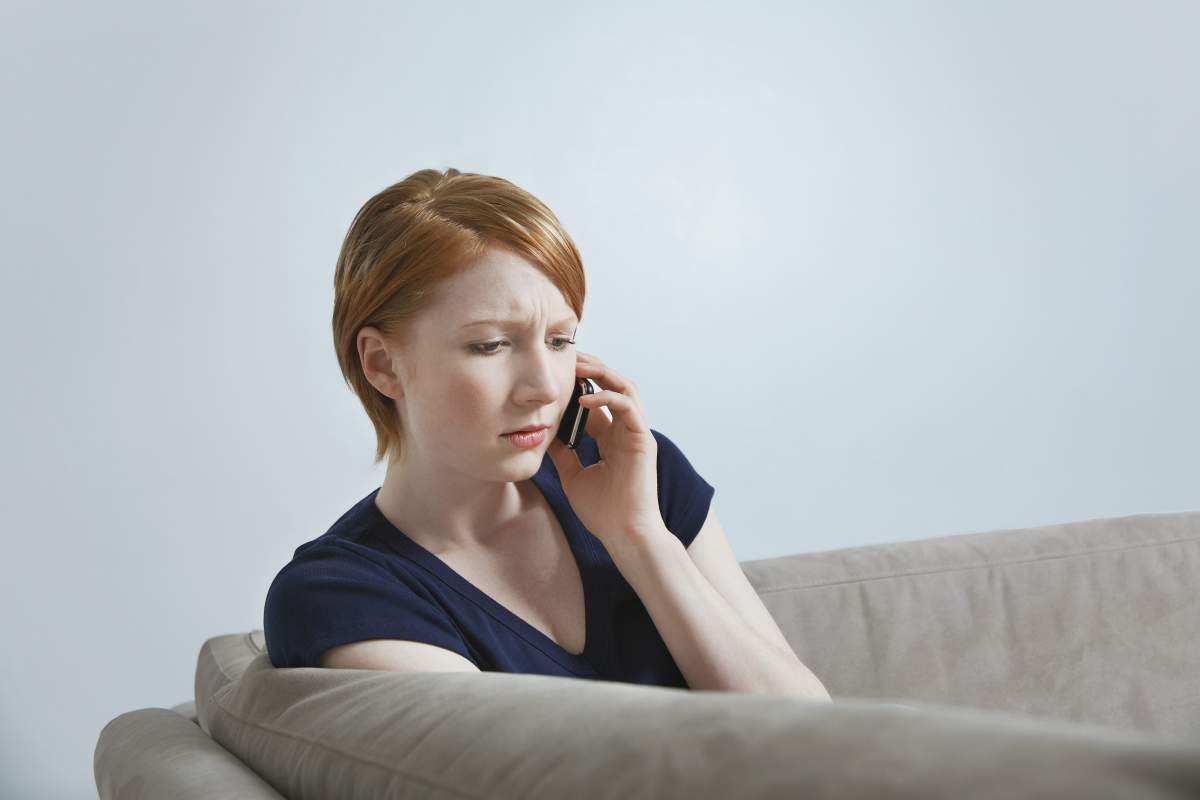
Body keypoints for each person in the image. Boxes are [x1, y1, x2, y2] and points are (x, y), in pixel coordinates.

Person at [264, 168, 830, 698]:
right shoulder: (345, 594)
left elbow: (814, 743)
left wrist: (641, 539)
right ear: (383, 363)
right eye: (491, 345)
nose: (542, 386)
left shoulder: (639, 476)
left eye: (560, 340)